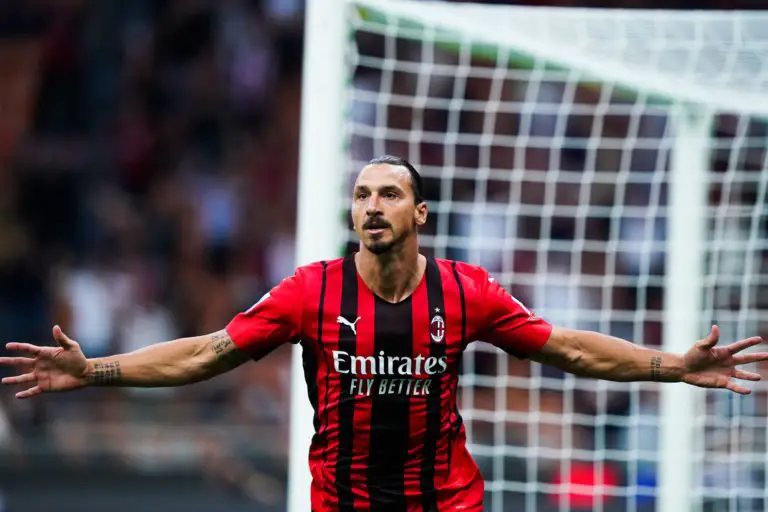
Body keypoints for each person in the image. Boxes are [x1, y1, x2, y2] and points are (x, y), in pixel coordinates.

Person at [1, 155, 766, 511]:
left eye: (390, 194)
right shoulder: (310, 291)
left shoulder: (467, 291)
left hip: (448, 503)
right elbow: (207, 353)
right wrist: (97, 371)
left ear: (418, 213)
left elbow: (567, 347)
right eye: (362, 194)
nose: (372, 204)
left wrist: (672, 366)